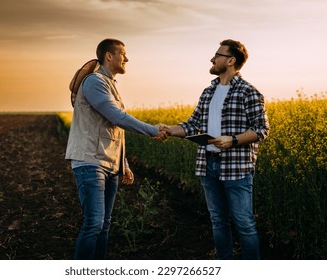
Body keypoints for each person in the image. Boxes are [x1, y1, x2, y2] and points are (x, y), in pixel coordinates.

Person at [165, 39, 270, 259]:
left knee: (244, 223)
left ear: (231, 60)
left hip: (236, 169)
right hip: (208, 166)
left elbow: (261, 130)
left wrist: (232, 140)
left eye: (218, 55)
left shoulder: (248, 92)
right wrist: (169, 130)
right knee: (218, 222)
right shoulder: (208, 91)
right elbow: (193, 124)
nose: (212, 59)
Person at [65, 38, 166, 260]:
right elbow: (117, 117)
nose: (127, 58)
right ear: (109, 56)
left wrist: (124, 164)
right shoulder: (94, 82)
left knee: (104, 225)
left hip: (108, 163)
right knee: (94, 223)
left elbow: (112, 129)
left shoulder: (109, 84)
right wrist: (153, 130)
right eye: (123, 53)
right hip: (90, 161)